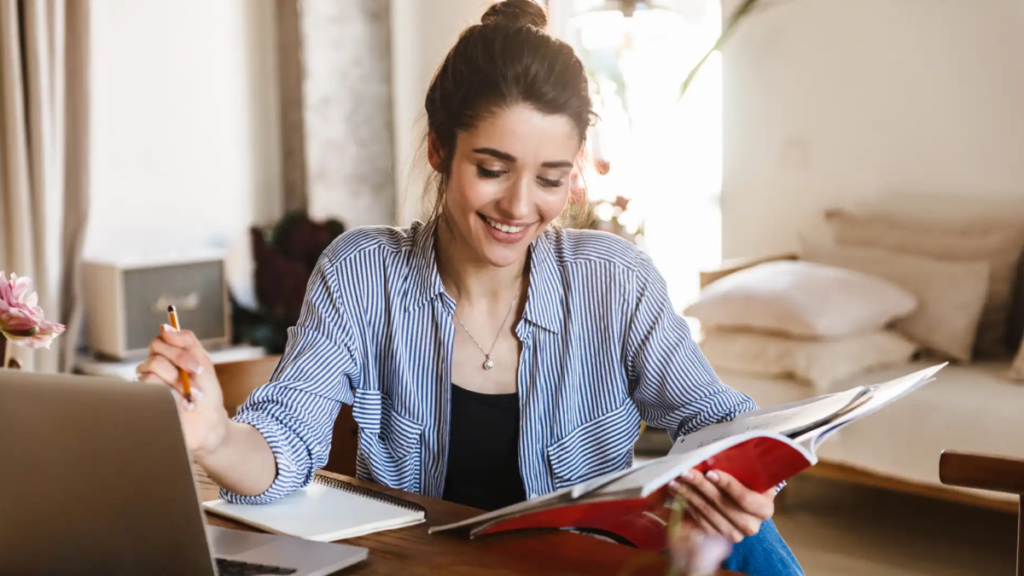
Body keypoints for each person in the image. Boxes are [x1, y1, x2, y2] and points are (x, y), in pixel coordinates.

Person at [136, 1, 803, 574]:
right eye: (492, 168)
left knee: (751, 536)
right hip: (430, 570)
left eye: (549, 179)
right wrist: (215, 438)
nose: (519, 206)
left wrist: (744, 481)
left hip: (586, 565)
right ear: (438, 150)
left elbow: (714, 419)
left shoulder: (613, 279)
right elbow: (284, 443)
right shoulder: (362, 273)